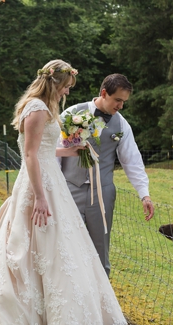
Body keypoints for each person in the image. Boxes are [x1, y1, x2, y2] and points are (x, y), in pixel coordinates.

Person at [0, 60, 127, 325]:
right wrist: (40, 198)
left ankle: (68, 316)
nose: (68, 92)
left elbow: (44, 149)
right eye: (67, 87)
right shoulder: (36, 108)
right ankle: (29, 318)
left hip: (51, 181)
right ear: (55, 84)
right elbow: (29, 155)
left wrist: (71, 150)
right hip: (38, 185)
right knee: (32, 246)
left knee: (60, 248)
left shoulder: (45, 108)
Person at [59, 73, 155, 276]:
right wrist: (55, 187)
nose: (121, 106)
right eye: (118, 100)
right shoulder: (72, 113)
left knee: (100, 250)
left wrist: (144, 194)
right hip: (69, 190)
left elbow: (132, 161)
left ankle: (102, 302)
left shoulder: (121, 125)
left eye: (124, 101)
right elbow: (53, 151)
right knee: (65, 245)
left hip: (102, 194)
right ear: (104, 93)